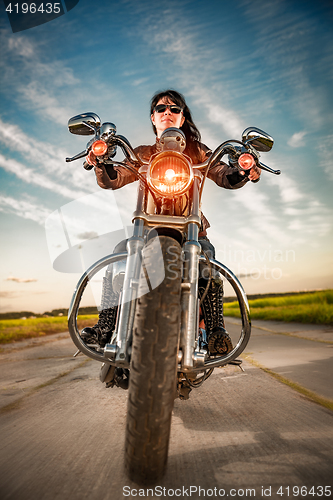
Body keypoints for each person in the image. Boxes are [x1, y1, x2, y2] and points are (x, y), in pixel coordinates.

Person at [81, 90, 261, 353]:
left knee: (206, 259)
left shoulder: (199, 152)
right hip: (148, 229)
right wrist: (101, 160)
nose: (168, 112)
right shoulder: (140, 153)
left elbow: (223, 174)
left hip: (192, 231)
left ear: (182, 116)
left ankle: (215, 331)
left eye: (175, 108)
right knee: (121, 254)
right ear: (153, 118)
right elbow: (114, 178)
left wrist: (244, 170)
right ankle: (106, 326)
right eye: (161, 108)